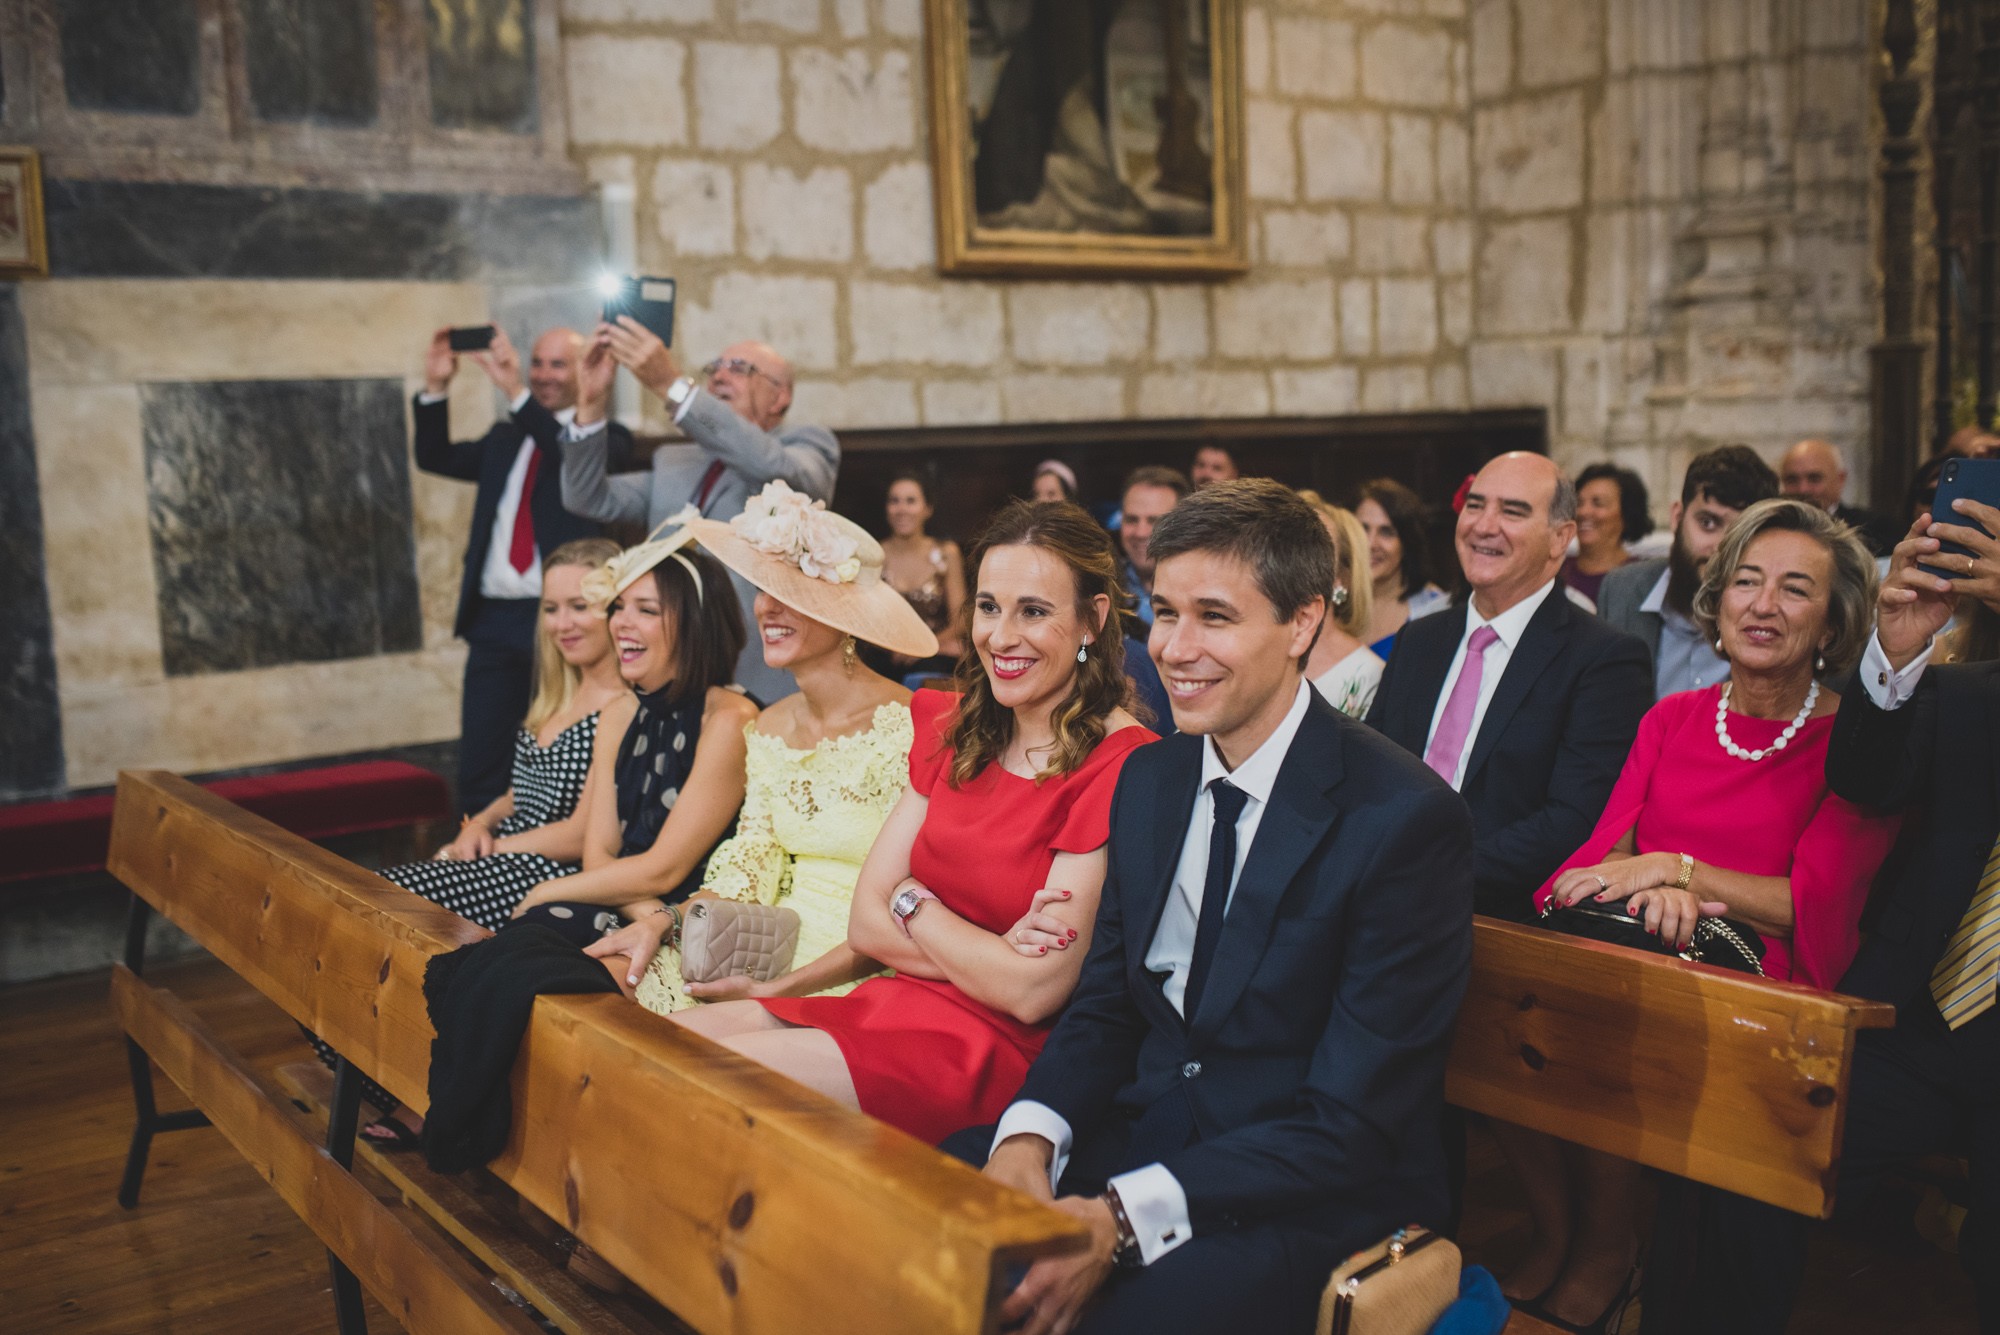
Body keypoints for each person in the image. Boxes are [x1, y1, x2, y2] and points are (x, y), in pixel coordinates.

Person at [970, 479, 1475, 1335]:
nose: (1173, 647)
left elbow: (1348, 1120)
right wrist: (1028, 1140)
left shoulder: (1403, 819)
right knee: (926, 1226)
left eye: (1215, 616)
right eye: (1165, 612)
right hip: (1144, 1130)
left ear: (1303, 624)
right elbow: (1104, 1007)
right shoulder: (1152, 777)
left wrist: (1119, 1217)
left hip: (1307, 1186)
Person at [1518, 498, 1898, 1330]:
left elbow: (1817, 907)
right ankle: (1600, 1255)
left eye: (1795, 589)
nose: (1764, 605)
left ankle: (1635, 1277)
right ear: (1717, 604)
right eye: (1747, 582)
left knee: (1727, 1269)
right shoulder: (1671, 719)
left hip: (1769, 1015)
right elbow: (1586, 867)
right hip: (1644, 981)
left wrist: (1678, 871)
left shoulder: (1852, 743)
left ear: (1832, 626)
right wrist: (1642, 885)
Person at [669, 501, 1155, 1146]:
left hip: (993, 1049)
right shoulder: (956, 728)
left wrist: (908, 904)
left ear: (1092, 618)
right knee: (668, 1049)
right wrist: (977, 942)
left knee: (722, 1083)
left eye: (1033, 611)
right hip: (896, 1003)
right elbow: (864, 922)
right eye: (988, 607)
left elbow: (1033, 991)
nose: (1001, 637)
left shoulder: (1119, 762)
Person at [1690, 498, 2000, 1335]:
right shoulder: (1969, 692)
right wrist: (1896, 651)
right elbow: (1865, 780)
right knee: (1755, 1155)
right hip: (1918, 1016)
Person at [309, 538, 626, 1147]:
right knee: (356, 908)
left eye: (582, 606)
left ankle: (428, 1091)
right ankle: (403, 1076)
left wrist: (493, 847)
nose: (563, 623)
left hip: (543, 870)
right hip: (507, 848)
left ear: (617, 611)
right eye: (552, 608)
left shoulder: (621, 702)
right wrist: (479, 821)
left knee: (391, 895)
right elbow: (521, 787)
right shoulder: (558, 692)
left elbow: (583, 831)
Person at [579, 484, 938, 1014]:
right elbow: (746, 871)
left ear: (844, 614)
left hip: (869, 961)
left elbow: (916, 901)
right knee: (591, 988)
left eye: (789, 592)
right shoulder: (769, 725)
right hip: (767, 941)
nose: (765, 607)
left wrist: (777, 991)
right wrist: (664, 923)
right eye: (762, 589)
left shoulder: (913, 725)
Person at [1366, 452, 1651, 921]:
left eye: (1513, 511)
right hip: (1378, 900)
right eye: (1475, 505)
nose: (1483, 525)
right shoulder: (1421, 638)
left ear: (1561, 538)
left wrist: (1427, 876)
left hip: (1499, 922)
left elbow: (1573, 820)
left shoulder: (1604, 658)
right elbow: (1372, 769)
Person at [415, 325, 633, 812]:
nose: (542, 375)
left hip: (558, 619)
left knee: (550, 745)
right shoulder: (506, 436)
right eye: (537, 363)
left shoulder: (605, 440)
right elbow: (434, 456)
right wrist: (435, 386)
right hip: (493, 618)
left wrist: (513, 390)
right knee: (482, 752)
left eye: (559, 364)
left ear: (587, 370)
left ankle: (538, 846)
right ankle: (473, 847)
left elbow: (565, 450)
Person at [509, 524, 759, 949]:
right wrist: (647, 917)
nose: (621, 623)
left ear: (694, 624)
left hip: (696, 915)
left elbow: (666, 870)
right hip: (633, 904)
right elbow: (598, 854)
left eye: (645, 610)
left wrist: (544, 890)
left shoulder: (730, 717)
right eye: (618, 606)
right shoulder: (619, 713)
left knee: (537, 935)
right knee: (527, 938)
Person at [561, 323, 838, 701]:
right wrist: (591, 405)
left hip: (752, 664)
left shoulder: (805, 447)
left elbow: (778, 471)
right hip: (669, 664)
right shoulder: (675, 460)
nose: (720, 376)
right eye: (715, 369)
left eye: (739, 368)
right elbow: (586, 497)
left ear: (780, 397)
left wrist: (672, 387)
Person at [1597, 445, 1779, 700]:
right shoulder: (1622, 591)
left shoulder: (1773, 615)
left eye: (1740, 534)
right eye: (1708, 523)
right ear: (1677, 517)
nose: (1721, 548)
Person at [872, 470, 965, 684]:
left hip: (935, 650)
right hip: (886, 653)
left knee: (930, 672)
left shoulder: (946, 552)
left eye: (911, 501)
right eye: (894, 501)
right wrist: (896, 649)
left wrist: (925, 647)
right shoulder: (874, 553)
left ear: (927, 509)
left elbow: (960, 618)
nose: (901, 509)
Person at [1298, 491, 1384, 717]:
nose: (1296, 559)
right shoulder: (1258, 650)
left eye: (1315, 548)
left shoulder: (1366, 674)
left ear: (1341, 577)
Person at [1355, 477, 1450, 658]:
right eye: (1362, 529)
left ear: (1407, 543)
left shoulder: (1435, 611)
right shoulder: (1334, 603)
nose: (1370, 543)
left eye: (1386, 532)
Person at [1779, 437, 1900, 557]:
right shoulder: (1773, 530)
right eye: (1792, 480)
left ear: (1840, 479)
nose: (1803, 489)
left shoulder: (1875, 530)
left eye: (1814, 478)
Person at [1562, 463, 1651, 606]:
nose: (1584, 512)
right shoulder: (1554, 570)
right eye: (1578, 503)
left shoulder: (1643, 578)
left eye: (1598, 503)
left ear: (1627, 514)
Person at [1117, 466, 1189, 630]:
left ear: (1183, 525)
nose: (1141, 533)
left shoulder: (1204, 590)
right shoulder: (1103, 589)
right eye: (1131, 519)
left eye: (1155, 521)